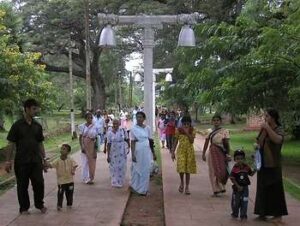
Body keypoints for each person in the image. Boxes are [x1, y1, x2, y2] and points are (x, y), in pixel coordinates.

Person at [5, 98, 48, 214]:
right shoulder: (17, 125)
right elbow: (11, 143)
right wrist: (8, 161)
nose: (35, 111)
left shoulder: (37, 126)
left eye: (36, 109)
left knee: (39, 183)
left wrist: (44, 159)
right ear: (27, 109)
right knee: (22, 185)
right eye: (33, 109)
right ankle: (24, 208)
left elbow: (40, 143)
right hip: (22, 161)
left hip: (36, 160)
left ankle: (39, 204)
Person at [254, 109, 288, 223]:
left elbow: (278, 140)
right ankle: (262, 212)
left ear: (273, 117)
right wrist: (257, 145)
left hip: (274, 163)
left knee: (275, 189)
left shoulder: (279, 129)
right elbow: (259, 141)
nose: (265, 118)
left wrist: (268, 128)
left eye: (267, 116)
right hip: (263, 162)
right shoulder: (264, 129)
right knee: (262, 187)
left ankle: (278, 215)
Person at [202, 115, 231, 196]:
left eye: (218, 120)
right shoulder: (209, 131)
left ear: (220, 121)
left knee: (222, 169)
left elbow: (226, 143)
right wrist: (203, 153)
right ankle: (215, 190)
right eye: (214, 120)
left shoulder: (224, 131)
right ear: (212, 121)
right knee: (213, 170)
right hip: (212, 151)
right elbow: (206, 142)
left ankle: (221, 186)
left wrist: (228, 154)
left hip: (221, 151)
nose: (216, 122)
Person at [130, 111, 156, 195]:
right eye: (137, 117)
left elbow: (150, 141)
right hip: (138, 150)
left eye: (140, 117)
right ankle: (135, 187)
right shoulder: (133, 129)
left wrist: (153, 153)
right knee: (136, 169)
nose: (139, 119)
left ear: (144, 118)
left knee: (145, 169)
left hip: (146, 151)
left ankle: (143, 189)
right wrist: (133, 154)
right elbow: (133, 142)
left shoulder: (147, 128)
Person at [171, 116, 197, 195]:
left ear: (190, 124)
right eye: (184, 124)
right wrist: (173, 152)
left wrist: (186, 132)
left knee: (188, 169)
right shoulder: (178, 130)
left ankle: (187, 187)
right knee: (181, 168)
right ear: (182, 124)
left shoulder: (193, 130)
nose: (186, 125)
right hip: (181, 151)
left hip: (189, 151)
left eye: (187, 124)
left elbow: (192, 141)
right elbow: (175, 141)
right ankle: (182, 182)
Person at [47, 144, 78, 211]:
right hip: (61, 181)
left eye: (64, 149)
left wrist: (73, 170)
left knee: (70, 193)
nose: (62, 150)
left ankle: (69, 204)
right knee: (60, 193)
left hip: (70, 181)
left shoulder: (70, 159)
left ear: (68, 152)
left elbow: (75, 165)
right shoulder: (58, 160)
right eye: (61, 148)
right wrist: (46, 164)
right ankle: (59, 205)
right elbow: (51, 165)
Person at [230, 149, 256, 220]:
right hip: (237, 188)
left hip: (245, 188)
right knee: (236, 202)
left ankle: (243, 215)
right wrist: (238, 186)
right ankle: (235, 213)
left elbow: (251, 174)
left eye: (241, 158)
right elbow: (232, 178)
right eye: (237, 159)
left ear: (244, 159)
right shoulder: (235, 168)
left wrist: (255, 169)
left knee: (245, 201)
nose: (239, 160)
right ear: (235, 159)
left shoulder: (246, 167)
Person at [106, 119, 130, 188]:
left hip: (122, 151)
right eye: (114, 124)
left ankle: (120, 180)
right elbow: (108, 144)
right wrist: (108, 156)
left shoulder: (123, 131)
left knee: (122, 166)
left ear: (119, 124)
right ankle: (115, 181)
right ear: (112, 124)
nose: (115, 125)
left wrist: (128, 146)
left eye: (117, 123)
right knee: (114, 166)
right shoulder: (110, 133)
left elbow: (127, 139)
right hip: (113, 152)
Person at [79, 112, 98, 184]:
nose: (89, 119)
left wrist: (95, 149)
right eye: (88, 117)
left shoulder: (94, 126)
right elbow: (80, 138)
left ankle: (91, 177)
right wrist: (82, 146)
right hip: (85, 144)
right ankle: (85, 178)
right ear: (85, 118)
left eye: (91, 118)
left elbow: (96, 138)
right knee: (84, 162)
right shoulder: (82, 126)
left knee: (92, 162)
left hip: (92, 145)